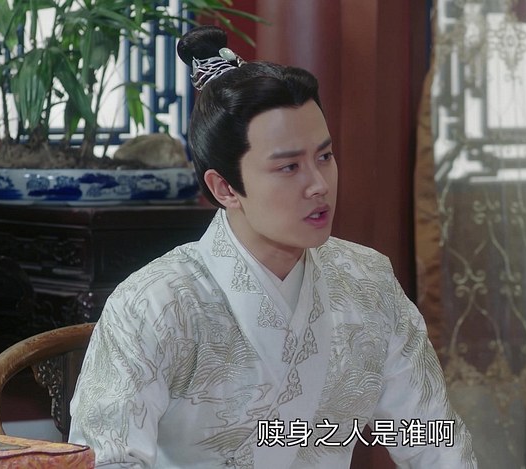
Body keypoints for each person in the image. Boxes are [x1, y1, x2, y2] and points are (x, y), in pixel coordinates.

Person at [68, 25, 477, 468]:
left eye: (324, 157)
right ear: (225, 188)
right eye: (288, 167)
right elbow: (106, 459)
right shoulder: (154, 304)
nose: (319, 185)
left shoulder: (367, 281)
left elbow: (433, 436)